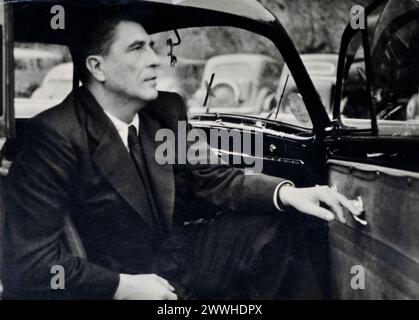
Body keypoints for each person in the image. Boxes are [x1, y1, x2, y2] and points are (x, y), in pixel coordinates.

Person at [1, 15, 361, 300]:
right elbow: (30, 265)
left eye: (153, 47)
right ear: (97, 68)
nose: (156, 60)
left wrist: (289, 193)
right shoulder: (53, 135)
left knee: (275, 225)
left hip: (175, 256)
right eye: (137, 49)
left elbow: (216, 179)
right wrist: (122, 287)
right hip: (114, 275)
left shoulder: (164, 112)